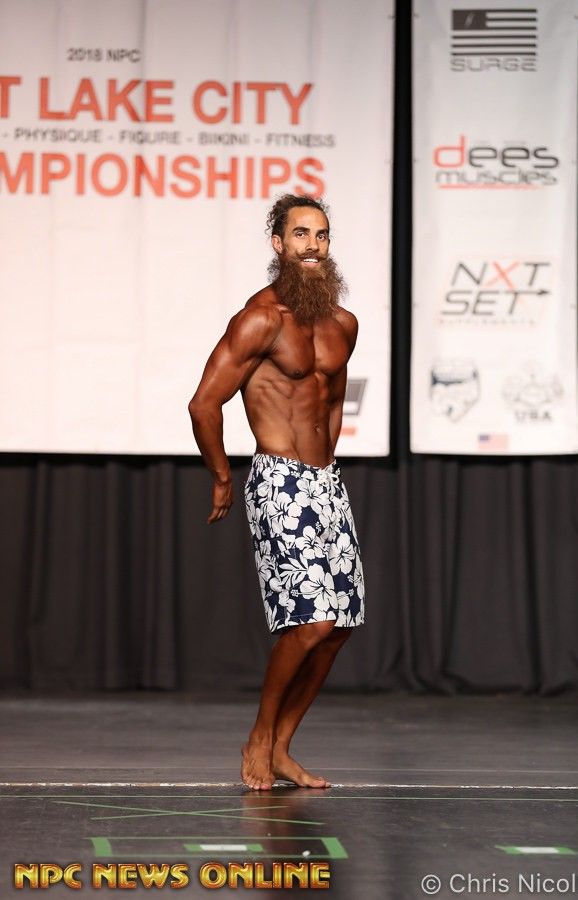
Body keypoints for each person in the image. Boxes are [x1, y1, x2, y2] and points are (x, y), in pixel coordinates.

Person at [188, 194, 365, 790]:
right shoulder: (260, 319)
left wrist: (329, 460)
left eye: (321, 234)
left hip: (325, 483)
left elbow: (333, 398)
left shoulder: (343, 324)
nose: (313, 245)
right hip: (280, 481)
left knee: (340, 625)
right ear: (279, 244)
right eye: (301, 234)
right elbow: (204, 403)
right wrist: (222, 476)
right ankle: (260, 737)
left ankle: (284, 747)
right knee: (311, 622)